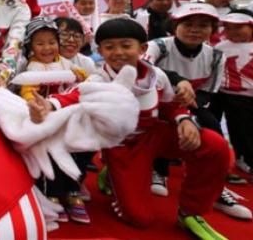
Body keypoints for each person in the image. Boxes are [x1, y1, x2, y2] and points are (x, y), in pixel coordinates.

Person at [34, 18, 231, 240]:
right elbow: (74, 95)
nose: (118, 52)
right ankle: (112, 175)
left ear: (143, 48)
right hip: (123, 147)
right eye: (109, 47)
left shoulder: (157, 75)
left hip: (155, 134)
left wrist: (184, 120)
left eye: (126, 45)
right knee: (139, 218)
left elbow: (170, 105)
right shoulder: (99, 79)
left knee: (214, 145)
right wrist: (49, 105)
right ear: (100, 51)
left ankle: (191, 212)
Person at [144, 2, 252, 221]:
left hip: (188, 104)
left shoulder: (216, 56)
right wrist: (178, 81)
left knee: (213, 131)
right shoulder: (158, 46)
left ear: (212, 29)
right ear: (175, 26)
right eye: (188, 24)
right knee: (161, 125)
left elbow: (207, 92)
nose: (195, 30)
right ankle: (159, 170)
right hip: (153, 103)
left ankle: (214, 188)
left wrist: (187, 111)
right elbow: (144, 69)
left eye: (203, 25)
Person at [19, 17, 90, 224]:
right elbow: (27, 92)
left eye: (51, 42)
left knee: (76, 152)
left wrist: (81, 77)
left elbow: (83, 77)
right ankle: (51, 194)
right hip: (45, 121)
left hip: (69, 119)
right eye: (40, 43)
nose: (47, 48)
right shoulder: (32, 68)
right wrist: (33, 105)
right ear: (30, 46)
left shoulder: (65, 62)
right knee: (48, 156)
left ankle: (73, 191)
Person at [214, 10, 253, 182]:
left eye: (238, 27)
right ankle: (244, 158)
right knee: (240, 129)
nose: (232, 32)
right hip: (232, 95)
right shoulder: (221, 47)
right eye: (228, 28)